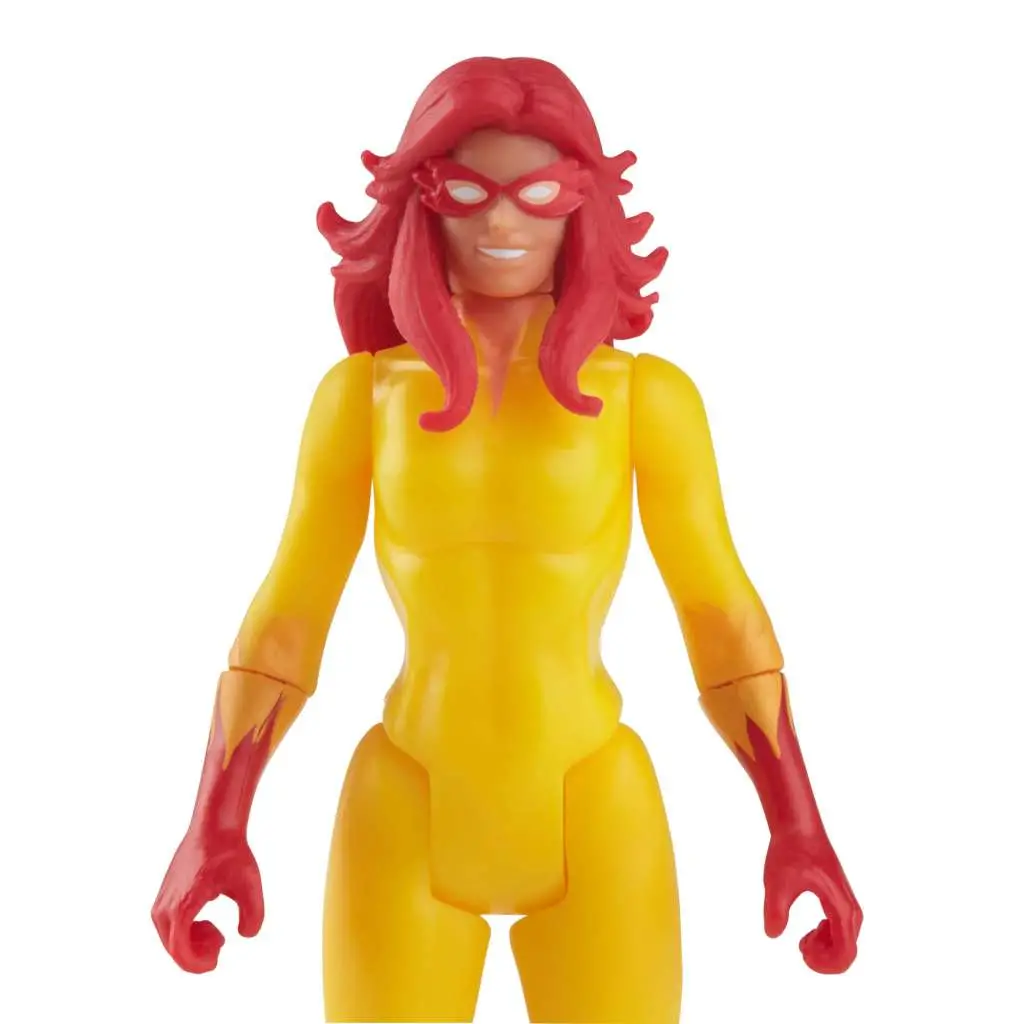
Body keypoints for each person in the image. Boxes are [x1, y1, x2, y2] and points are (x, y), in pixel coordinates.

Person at [152, 56, 862, 1023]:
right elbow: (287, 620)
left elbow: (720, 618)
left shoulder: (645, 400)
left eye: (539, 195)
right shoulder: (362, 401)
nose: (501, 223)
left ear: (582, 206)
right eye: (465, 191)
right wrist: (215, 822)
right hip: (406, 801)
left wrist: (799, 826)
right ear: (422, 201)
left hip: (594, 802)